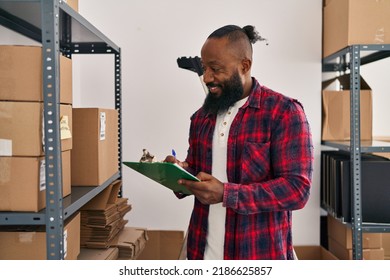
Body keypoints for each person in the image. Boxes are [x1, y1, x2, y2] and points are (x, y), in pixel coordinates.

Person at [165, 25, 314, 260]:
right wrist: (179, 172)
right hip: (200, 253)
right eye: (205, 68)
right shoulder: (201, 117)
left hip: (257, 255)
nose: (206, 77)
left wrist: (226, 193)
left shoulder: (284, 113)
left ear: (244, 66)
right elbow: (199, 171)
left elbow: (297, 190)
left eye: (215, 69)